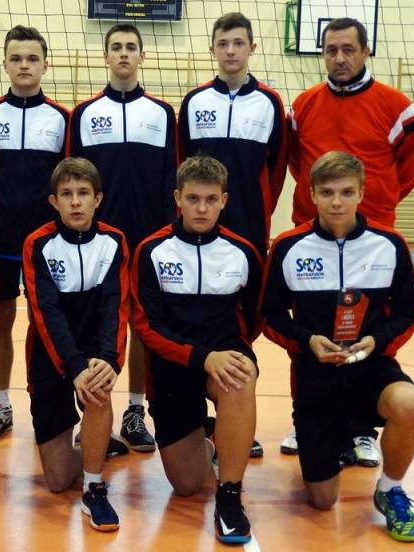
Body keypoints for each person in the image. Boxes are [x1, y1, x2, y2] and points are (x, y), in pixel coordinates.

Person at [261, 151, 414, 542]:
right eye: (327, 192)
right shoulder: (289, 247)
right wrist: (307, 341)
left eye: (347, 192)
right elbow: (269, 315)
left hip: (371, 368)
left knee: (408, 403)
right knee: (322, 500)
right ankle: (330, 445)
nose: (337, 202)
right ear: (312, 195)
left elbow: (412, 310)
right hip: (315, 376)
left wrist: (376, 341)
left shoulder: (388, 245)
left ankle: (390, 490)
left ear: (362, 193)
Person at [284, 17, 414, 463]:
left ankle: (363, 427)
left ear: (366, 52)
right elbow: (297, 164)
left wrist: (374, 209)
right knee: (310, 334)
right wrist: (325, 210)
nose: (340, 58)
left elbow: (411, 167)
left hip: (373, 240)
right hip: (314, 238)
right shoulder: (304, 105)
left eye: (348, 49)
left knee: (369, 331)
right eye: (331, 50)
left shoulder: (395, 106)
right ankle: (307, 419)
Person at [132, 156, 261, 544]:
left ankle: (230, 495)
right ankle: (212, 438)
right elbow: (148, 328)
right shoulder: (152, 251)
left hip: (223, 358)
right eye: (193, 199)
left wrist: (227, 355)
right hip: (172, 367)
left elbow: (255, 317)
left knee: (240, 376)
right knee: (187, 485)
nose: (201, 208)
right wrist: (202, 357)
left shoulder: (243, 252)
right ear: (178, 198)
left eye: (210, 199)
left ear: (224, 201)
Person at [178, 11, 286, 458]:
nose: (230, 51)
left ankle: (233, 412)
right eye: (223, 43)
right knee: (192, 310)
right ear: (212, 50)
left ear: (251, 48)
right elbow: (183, 163)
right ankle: (198, 411)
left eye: (238, 43)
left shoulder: (270, 103)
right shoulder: (194, 102)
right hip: (199, 229)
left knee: (242, 319)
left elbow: (276, 168)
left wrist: (256, 214)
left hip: (247, 228)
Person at [68, 23, 177, 452]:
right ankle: (93, 417)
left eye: (132, 47)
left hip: (149, 239)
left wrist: (166, 234)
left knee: (141, 325)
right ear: (106, 56)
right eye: (116, 47)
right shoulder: (85, 114)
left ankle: (135, 411)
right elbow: (74, 180)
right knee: (97, 325)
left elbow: (170, 176)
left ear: (142, 56)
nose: (124, 54)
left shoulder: (162, 113)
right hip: (100, 241)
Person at [0, 25, 69, 441]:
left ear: (45, 65)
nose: (24, 65)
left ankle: (50, 402)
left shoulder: (62, 118)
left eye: (32, 58)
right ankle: (1, 404)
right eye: (16, 58)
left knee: (47, 321)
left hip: (46, 240)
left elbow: (68, 178)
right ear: (5, 64)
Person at [22, 157, 127, 532]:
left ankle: (94, 487)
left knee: (98, 387)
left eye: (83, 193)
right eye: (66, 194)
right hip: (51, 356)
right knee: (57, 480)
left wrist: (108, 359)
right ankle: (96, 445)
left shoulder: (114, 242)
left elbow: (115, 307)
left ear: (98, 198)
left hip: (95, 352)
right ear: (54, 202)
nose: (76, 202)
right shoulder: (38, 244)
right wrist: (74, 367)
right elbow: (46, 315)